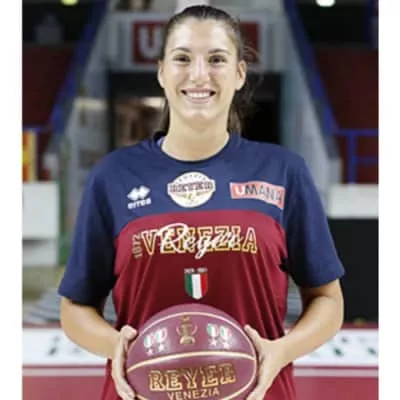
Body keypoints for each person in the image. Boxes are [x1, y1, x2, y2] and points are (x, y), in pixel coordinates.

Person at [58, 5, 345, 400]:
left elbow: (328, 300)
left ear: (239, 73)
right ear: (161, 72)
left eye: (216, 59)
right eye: (182, 59)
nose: (198, 74)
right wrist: (115, 346)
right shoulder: (113, 176)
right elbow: (75, 307)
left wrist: (281, 351)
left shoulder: (282, 171)